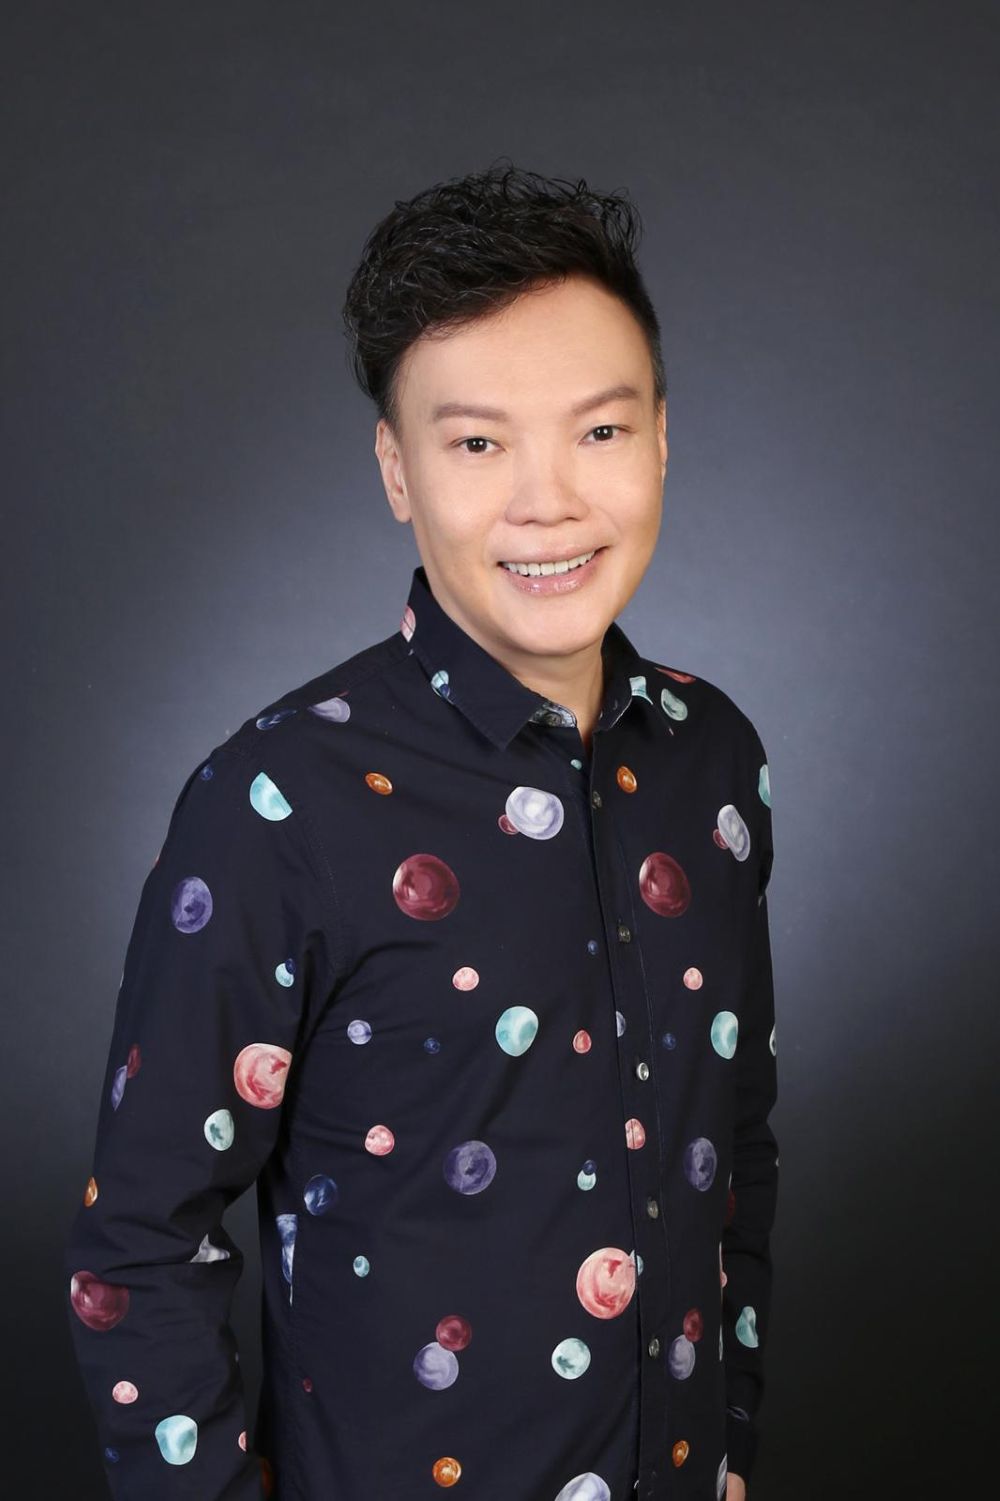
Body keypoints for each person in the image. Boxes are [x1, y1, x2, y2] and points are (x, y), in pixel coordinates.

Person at [64, 160, 778, 1501]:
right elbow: (140, 1254)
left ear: (661, 439)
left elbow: (734, 1144)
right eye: (477, 444)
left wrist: (728, 1435)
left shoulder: (714, 765)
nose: (548, 501)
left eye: (600, 430)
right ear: (398, 469)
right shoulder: (278, 803)